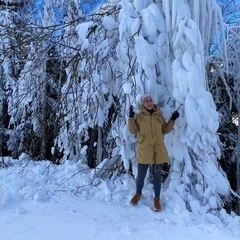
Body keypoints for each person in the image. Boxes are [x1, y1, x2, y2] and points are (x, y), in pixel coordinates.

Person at [128, 94, 179, 211]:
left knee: (157, 176)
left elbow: (165, 130)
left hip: (157, 151)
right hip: (144, 150)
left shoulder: (158, 115)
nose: (149, 102)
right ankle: (138, 194)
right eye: (146, 101)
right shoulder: (139, 116)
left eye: (151, 100)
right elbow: (133, 130)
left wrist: (172, 119)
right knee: (140, 175)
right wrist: (131, 117)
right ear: (143, 104)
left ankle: (157, 199)